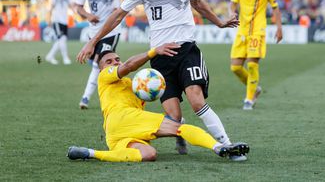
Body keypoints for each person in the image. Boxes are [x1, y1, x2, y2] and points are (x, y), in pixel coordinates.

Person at [77, 0, 239, 155]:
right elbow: (118, 16)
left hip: (186, 49)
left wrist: (219, 22)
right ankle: (180, 134)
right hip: (161, 56)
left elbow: (197, 3)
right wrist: (93, 40)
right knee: (173, 115)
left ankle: (227, 144)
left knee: (196, 100)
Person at [68, 44, 249, 162]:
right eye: (109, 62)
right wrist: (153, 52)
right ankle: (219, 147)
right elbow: (129, 65)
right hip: (123, 117)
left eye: (117, 59)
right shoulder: (104, 76)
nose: (115, 62)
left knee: (149, 154)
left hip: (114, 133)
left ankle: (90, 153)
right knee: (179, 127)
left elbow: (147, 92)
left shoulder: (134, 85)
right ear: (101, 68)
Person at [229, 0, 283, 110]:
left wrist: (279, 28)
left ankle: (249, 99)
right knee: (235, 67)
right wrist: (232, 13)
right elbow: (232, 4)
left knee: (252, 65)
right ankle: (254, 87)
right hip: (242, 31)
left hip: (258, 31)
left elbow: (275, 7)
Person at [75, 0, 128, 109]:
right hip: (94, 32)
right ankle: (116, 93)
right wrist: (88, 15)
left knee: (98, 64)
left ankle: (85, 98)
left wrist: (121, 9)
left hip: (112, 31)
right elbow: (78, 7)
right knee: (98, 64)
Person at [45, 0, 73, 65]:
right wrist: (49, 19)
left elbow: (70, 5)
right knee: (61, 38)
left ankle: (50, 56)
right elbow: (51, 7)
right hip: (57, 20)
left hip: (64, 20)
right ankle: (65, 58)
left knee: (61, 39)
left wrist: (76, 12)